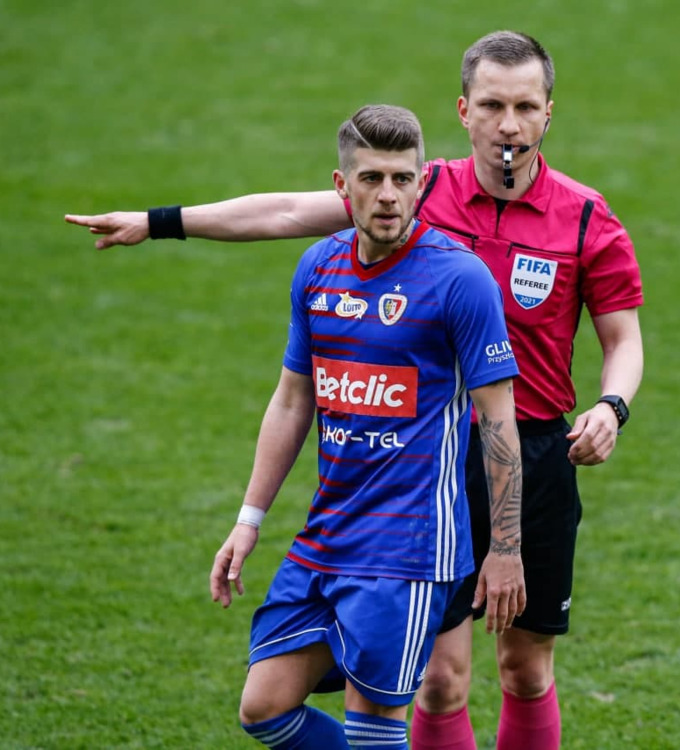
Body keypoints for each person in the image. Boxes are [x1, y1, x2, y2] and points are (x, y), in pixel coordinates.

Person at [67, 31, 644, 750]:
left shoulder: (585, 217)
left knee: (524, 668)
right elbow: (283, 213)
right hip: (430, 459)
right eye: (492, 106)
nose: (508, 124)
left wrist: (611, 406)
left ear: (548, 113)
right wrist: (158, 224)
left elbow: (622, 339)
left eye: (525, 107)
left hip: (531, 450)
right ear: (463, 111)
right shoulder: (413, 188)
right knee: (439, 678)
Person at [205, 104, 526, 749]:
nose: (388, 195)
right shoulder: (317, 268)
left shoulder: (459, 278)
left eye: (403, 179)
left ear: (420, 183)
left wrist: (506, 548)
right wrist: (249, 518)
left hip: (407, 547)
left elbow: (497, 419)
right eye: (372, 178)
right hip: (327, 535)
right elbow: (293, 400)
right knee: (264, 708)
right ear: (341, 184)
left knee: (373, 728)